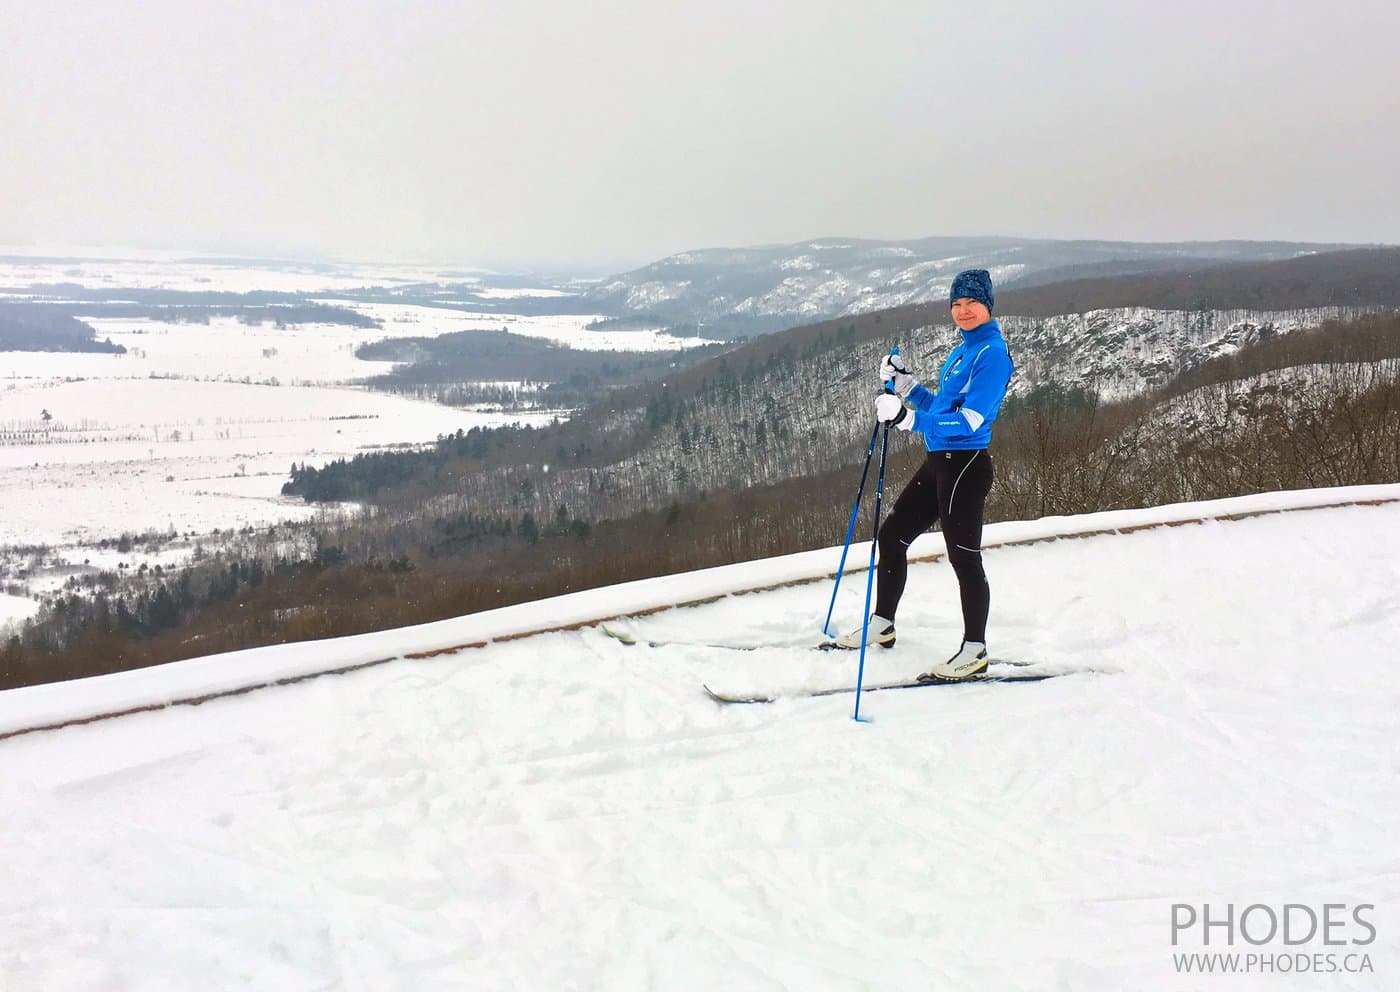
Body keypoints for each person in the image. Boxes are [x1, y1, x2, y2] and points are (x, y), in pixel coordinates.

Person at [832, 268, 1015, 681]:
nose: (964, 311)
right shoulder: (962, 351)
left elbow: (969, 421)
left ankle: (975, 649)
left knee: (964, 557)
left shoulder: (992, 355)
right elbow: (942, 410)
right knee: (891, 536)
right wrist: (907, 387)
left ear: (988, 306)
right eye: (957, 304)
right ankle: (883, 623)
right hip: (940, 463)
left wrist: (907, 419)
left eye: (972, 303)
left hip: (966, 466)